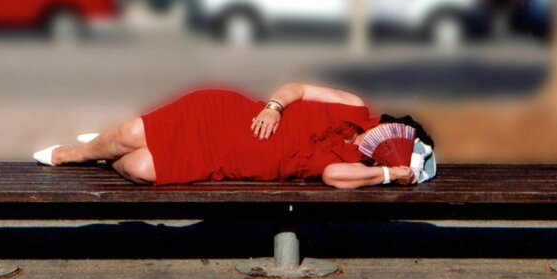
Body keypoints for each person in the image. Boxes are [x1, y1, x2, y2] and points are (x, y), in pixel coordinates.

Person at [34, 83, 434, 189]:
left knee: (139, 168)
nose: (384, 139)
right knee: (129, 133)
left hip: (225, 161)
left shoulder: (359, 166)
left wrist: (386, 176)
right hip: (229, 116)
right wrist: (273, 107)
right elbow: (295, 88)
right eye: (394, 132)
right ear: (394, 124)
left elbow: (332, 178)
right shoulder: (352, 104)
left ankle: (104, 152)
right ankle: (80, 153)